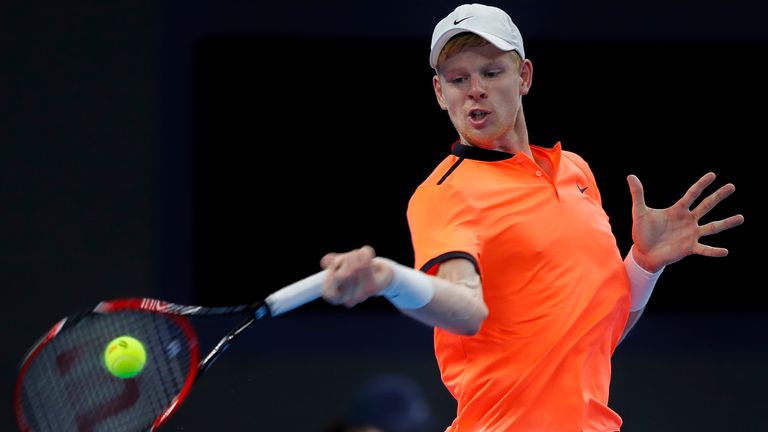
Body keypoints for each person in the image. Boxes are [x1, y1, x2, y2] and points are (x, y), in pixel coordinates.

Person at [319, 4, 744, 431]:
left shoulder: (576, 172)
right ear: (439, 92)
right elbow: (465, 309)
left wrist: (645, 265)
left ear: (523, 77)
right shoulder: (445, 193)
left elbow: (598, 335)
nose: (475, 90)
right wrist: (389, 279)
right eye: (458, 79)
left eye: (491, 72)